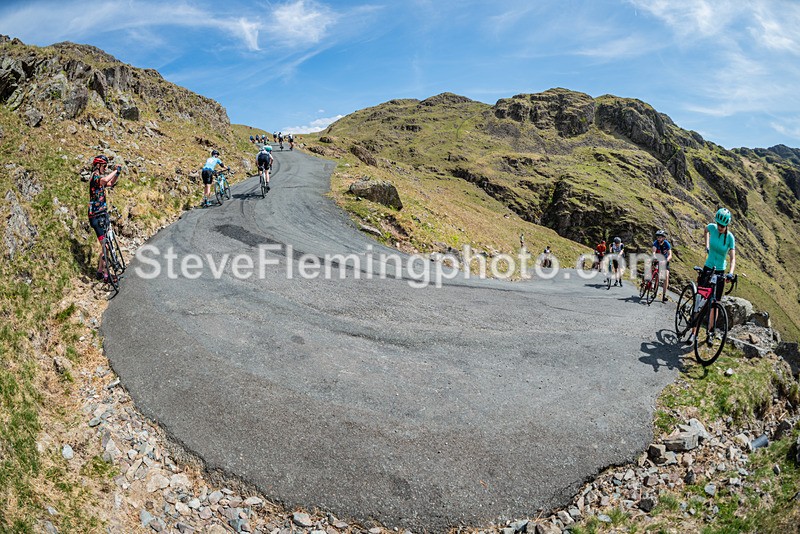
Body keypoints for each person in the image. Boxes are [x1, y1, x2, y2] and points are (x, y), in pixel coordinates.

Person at [688, 208, 736, 343]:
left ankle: (710, 332)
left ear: (727, 225)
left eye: (722, 225)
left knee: (715, 303)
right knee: (699, 300)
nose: (720, 227)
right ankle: (693, 333)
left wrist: (730, 273)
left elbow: (732, 259)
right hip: (708, 267)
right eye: (718, 224)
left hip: (720, 271)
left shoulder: (730, 238)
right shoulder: (712, 227)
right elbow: (706, 230)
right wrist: (707, 245)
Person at [88, 155, 122, 281]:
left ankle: (100, 271)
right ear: (98, 165)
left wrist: (117, 173)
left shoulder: (100, 178)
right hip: (95, 216)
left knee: (106, 244)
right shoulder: (95, 177)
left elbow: (110, 182)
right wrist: (114, 171)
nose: (105, 168)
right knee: (106, 246)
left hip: (103, 213)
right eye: (104, 166)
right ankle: (107, 276)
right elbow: (104, 180)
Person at [652, 229, 672, 302]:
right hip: (657, 259)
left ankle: (664, 295)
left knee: (666, 276)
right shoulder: (655, 243)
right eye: (658, 237)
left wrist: (666, 260)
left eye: (660, 237)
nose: (658, 239)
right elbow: (654, 251)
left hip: (665, 261)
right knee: (657, 275)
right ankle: (654, 292)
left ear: (663, 238)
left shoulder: (667, 244)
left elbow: (670, 255)